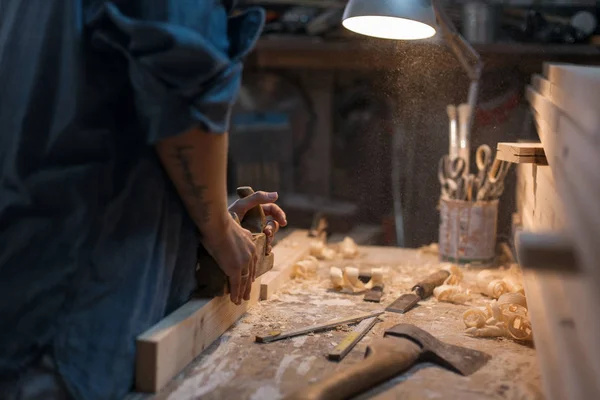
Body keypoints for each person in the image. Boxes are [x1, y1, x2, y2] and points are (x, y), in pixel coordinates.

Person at [0, 1, 284, 399]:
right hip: (68, 313)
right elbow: (185, 97)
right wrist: (217, 227)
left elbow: (116, 102)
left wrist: (202, 220)